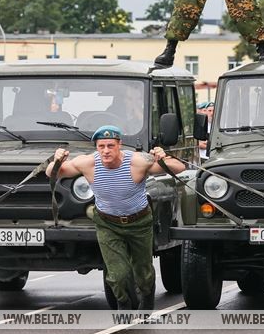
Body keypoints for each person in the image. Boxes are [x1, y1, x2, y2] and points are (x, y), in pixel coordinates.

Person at [46, 125, 185, 310]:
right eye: (101, 146)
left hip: (139, 223)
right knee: (118, 274)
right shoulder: (87, 163)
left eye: (110, 145)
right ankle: (124, 303)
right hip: (107, 224)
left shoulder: (137, 161)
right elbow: (51, 173)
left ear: (119, 145)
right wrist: (56, 160)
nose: (105, 151)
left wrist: (164, 156)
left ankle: (147, 296)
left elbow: (180, 167)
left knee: (143, 272)